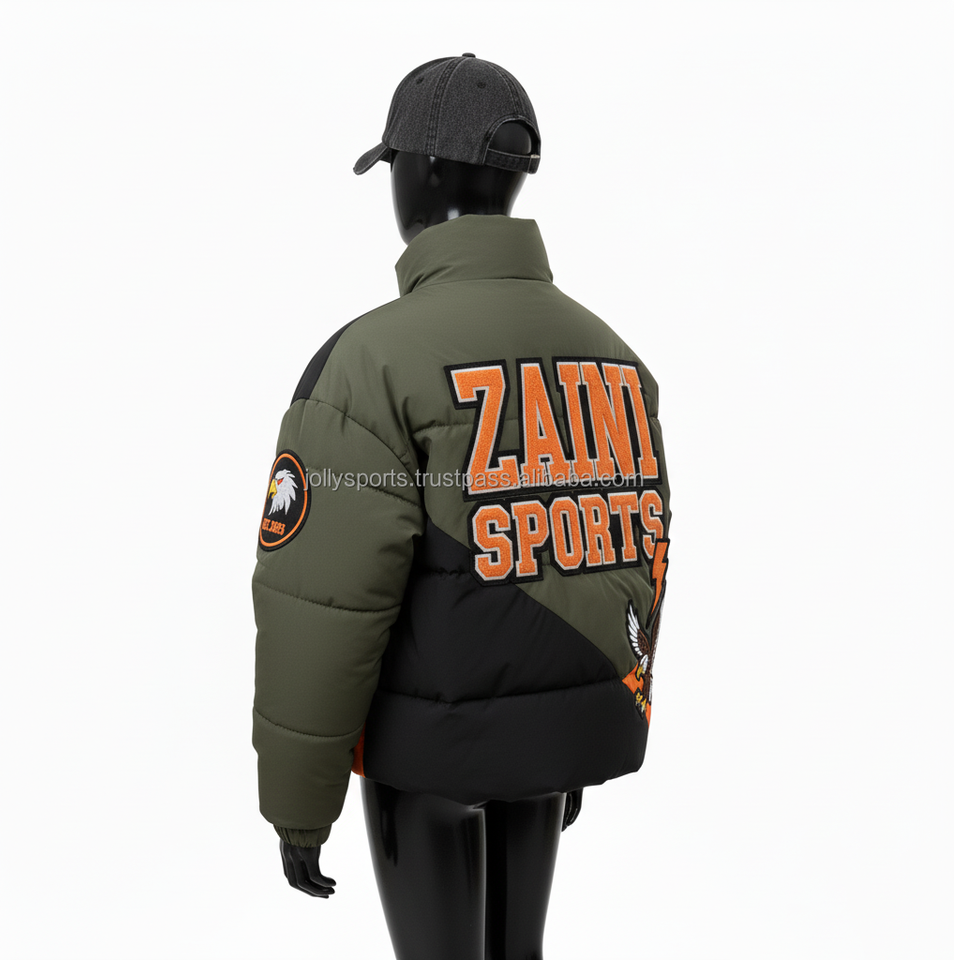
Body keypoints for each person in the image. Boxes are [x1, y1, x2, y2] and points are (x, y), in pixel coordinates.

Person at [252, 54, 671, 960]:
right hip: (552, 739)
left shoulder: (370, 364)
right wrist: (575, 726)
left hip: (427, 752)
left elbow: (323, 602)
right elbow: (631, 547)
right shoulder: (615, 358)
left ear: (428, 171)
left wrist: (298, 803)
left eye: (395, 167)